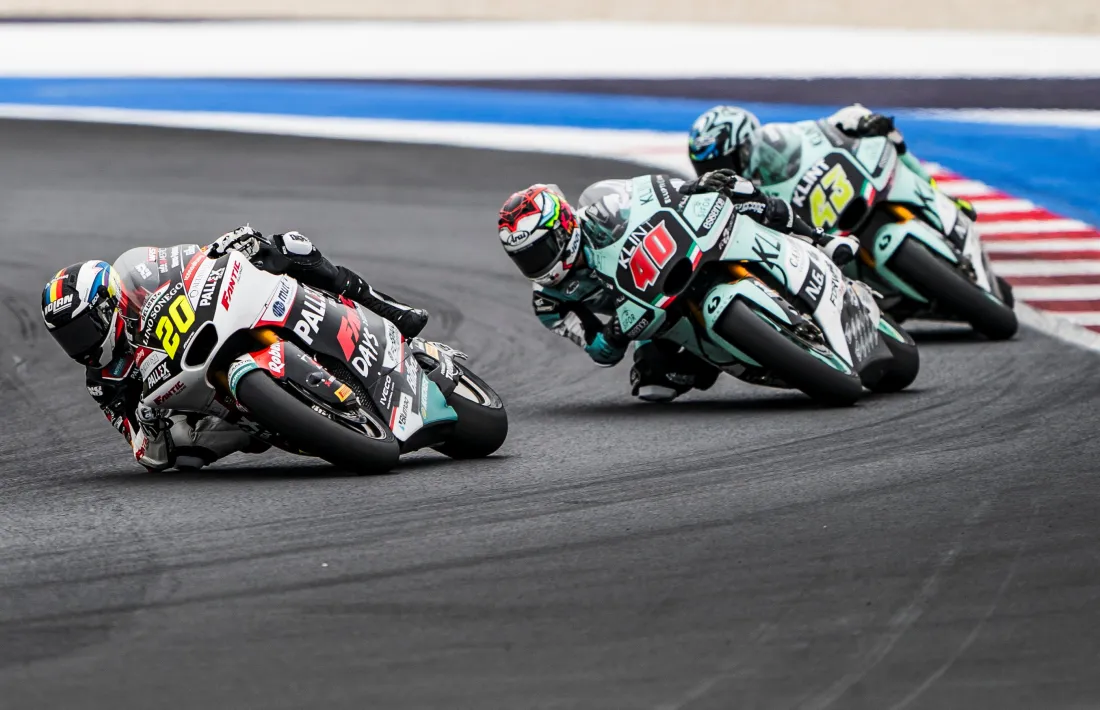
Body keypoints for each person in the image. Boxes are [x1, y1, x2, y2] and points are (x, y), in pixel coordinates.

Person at [40, 226, 429, 472]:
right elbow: (146, 454)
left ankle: (390, 309)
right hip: (204, 405)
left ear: (107, 305)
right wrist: (146, 423)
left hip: (212, 325)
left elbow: (192, 258)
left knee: (288, 245)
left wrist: (230, 244)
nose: (79, 346)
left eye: (81, 330)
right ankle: (275, 416)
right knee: (184, 452)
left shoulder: (140, 276)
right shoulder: (103, 381)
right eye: (67, 338)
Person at [497, 172, 860, 402]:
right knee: (654, 386)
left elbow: (655, 190)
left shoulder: (603, 210)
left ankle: (820, 238)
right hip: (656, 320)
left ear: (564, 226)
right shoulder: (550, 303)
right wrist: (614, 334)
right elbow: (599, 351)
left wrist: (695, 187)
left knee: (734, 187)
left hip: (678, 260)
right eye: (525, 258)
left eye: (540, 250)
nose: (537, 264)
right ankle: (732, 355)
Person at [687, 103, 978, 219]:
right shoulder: (731, 198)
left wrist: (859, 120)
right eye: (707, 167)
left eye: (724, 160)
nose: (718, 171)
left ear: (746, 147)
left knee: (887, 135)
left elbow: (823, 125)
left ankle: (943, 196)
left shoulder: (779, 141)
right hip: (809, 226)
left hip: (828, 190)